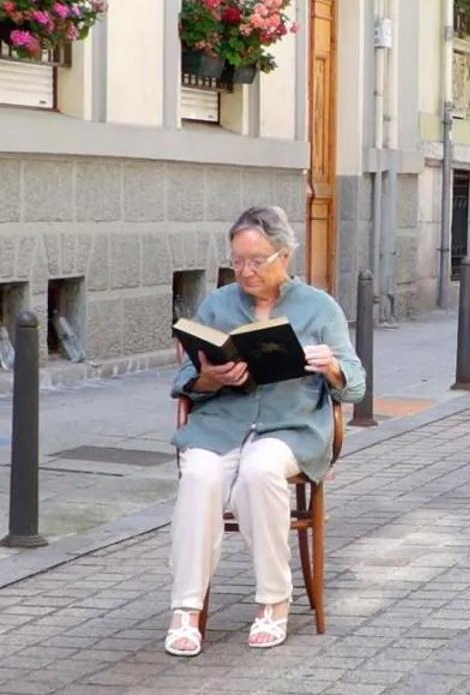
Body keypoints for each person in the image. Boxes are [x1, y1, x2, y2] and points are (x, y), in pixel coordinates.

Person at [165, 205, 366, 657]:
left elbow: (355, 382)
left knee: (259, 471)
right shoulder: (218, 305)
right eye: (237, 261)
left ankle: (274, 602)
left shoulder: (319, 307)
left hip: (289, 428)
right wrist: (208, 379)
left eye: (257, 261)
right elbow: (184, 381)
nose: (246, 271)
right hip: (222, 424)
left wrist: (331, 366)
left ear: (285, 256)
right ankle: (185, 610)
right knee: (199, 474)